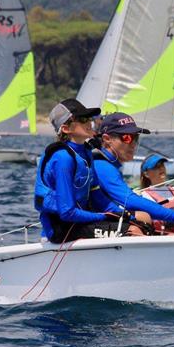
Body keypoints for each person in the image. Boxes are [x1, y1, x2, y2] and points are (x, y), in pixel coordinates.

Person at [91, 112, 174, 236]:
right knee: (140, 223)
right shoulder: (102, 166)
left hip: (101, 221)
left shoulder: (108, 165)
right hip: (80, 228)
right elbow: (129, 201)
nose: (133, 144)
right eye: (127, 138)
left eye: (135, 138)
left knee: (144, 218)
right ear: (107, 139)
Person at [33, 99, 126, 243]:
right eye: (82, 119)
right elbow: (67, 212)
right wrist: (105, 216)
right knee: (132, 231)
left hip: (79, 223)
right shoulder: (63, 158)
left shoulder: (86, 153)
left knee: (138, 223)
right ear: (66, 129)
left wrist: (124, 215)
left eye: (89, 118)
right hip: (59, 230)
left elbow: (98, 197)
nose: (89, 122)